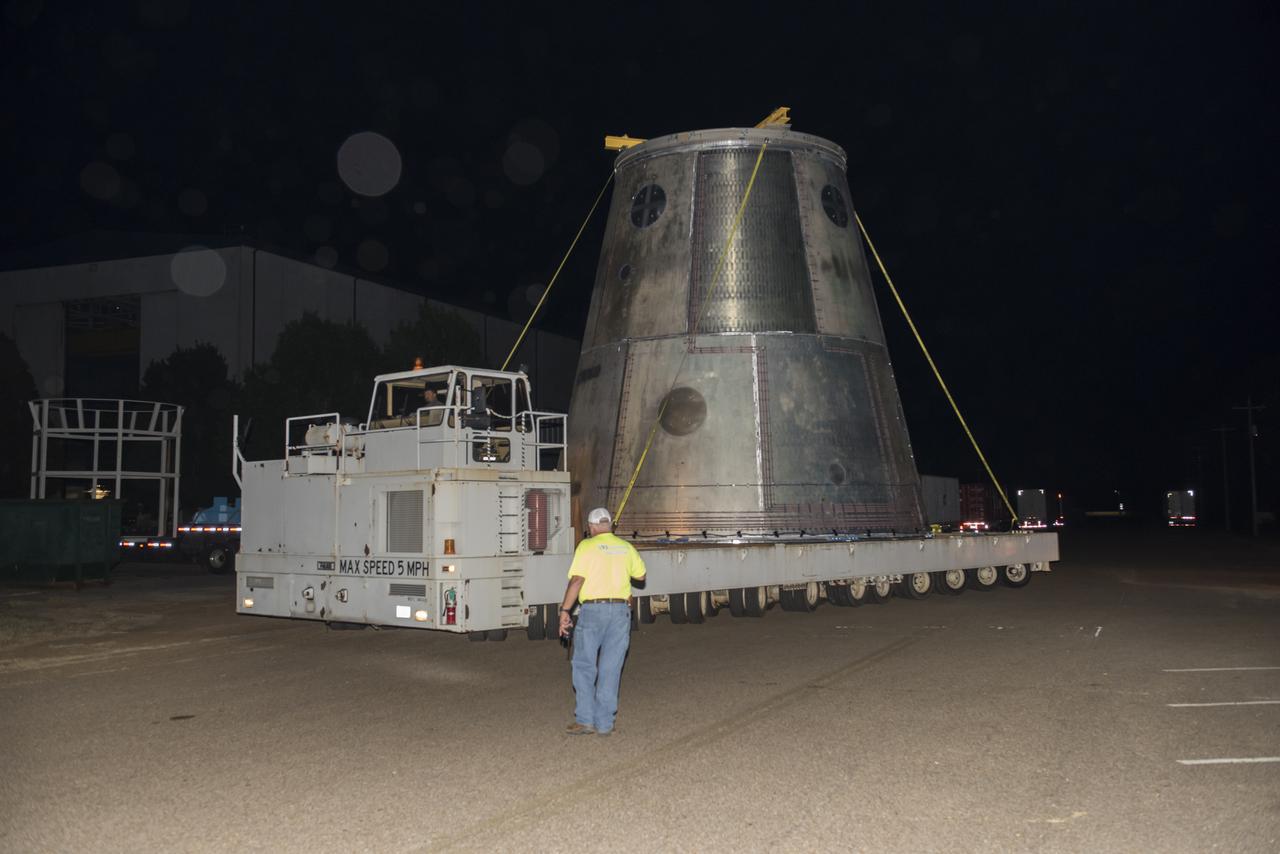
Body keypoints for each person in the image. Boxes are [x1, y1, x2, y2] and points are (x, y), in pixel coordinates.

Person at [558, 507, 646, 736]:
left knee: (585, 665)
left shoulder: (586, 546)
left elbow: (577, 580)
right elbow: (641, 576)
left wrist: (565, 610)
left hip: (593, 611)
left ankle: (585, 720)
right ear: (609, 525)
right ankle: (605, 723)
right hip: (620, 612)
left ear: (592, 526)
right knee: (611, 667)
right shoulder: (626, 547)